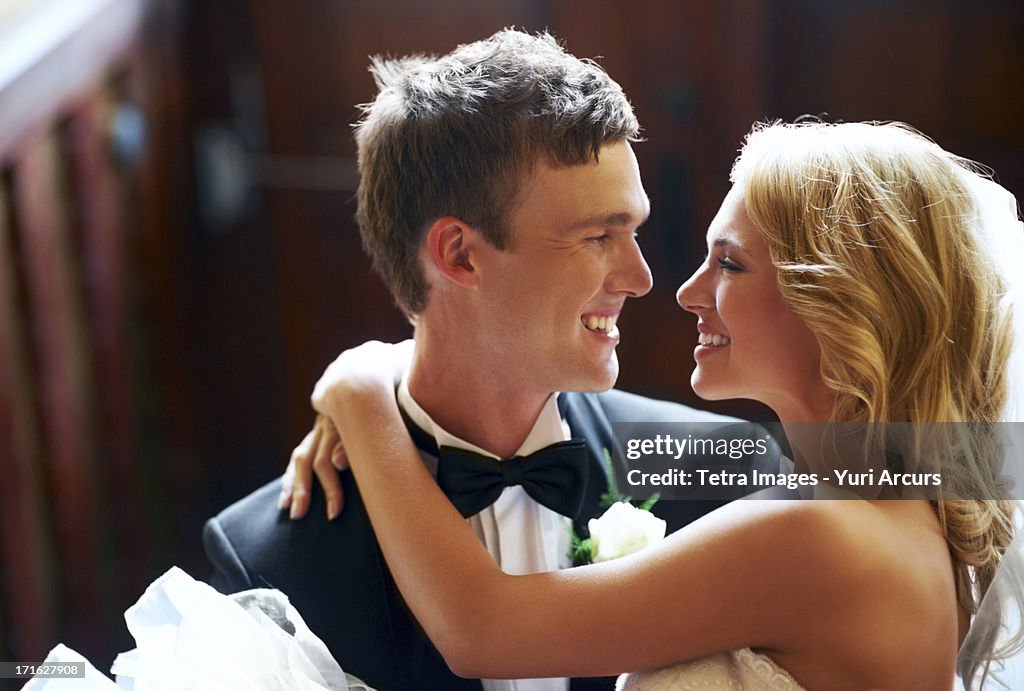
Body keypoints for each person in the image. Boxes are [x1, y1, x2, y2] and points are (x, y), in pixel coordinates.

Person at [309, 121, 1024, 690]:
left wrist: (360, 386)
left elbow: (479, 626)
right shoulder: (911, 506)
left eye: (730, 263)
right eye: (599, 235)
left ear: (838, 308)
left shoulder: (814, 535)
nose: (683, 289)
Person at [203, 30, 774, 691]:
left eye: (634, 230)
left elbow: (914, 466)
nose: (641, 277)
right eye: (598, 236)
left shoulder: (720, 471)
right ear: (460, 256)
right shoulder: (274, 563)